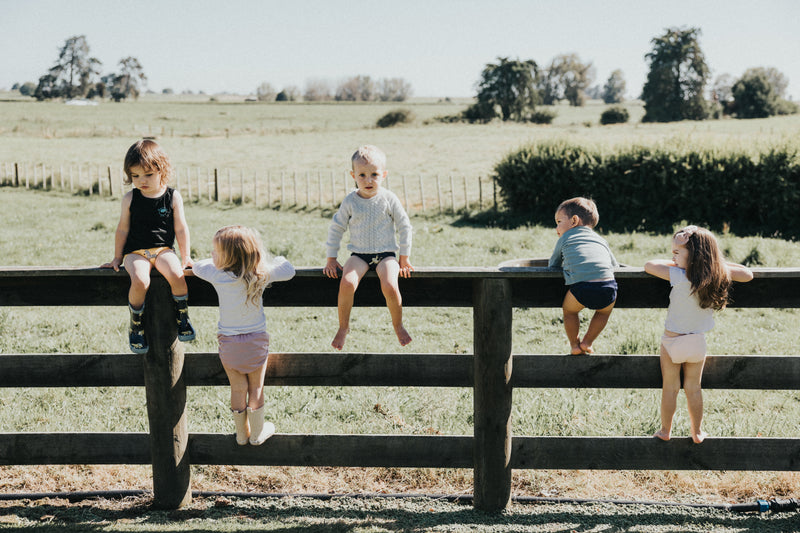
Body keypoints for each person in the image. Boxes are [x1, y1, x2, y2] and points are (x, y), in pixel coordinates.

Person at [645, 225, 753, 443]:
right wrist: (712, 264)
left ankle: (666, 430)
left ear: (693, 255)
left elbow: (649, 265)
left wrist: (676, 264)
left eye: (677, 253)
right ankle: (698, 431)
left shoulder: (677, 275)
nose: (673, 258)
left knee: (670, 388)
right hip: (697, 342)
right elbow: (747, 274)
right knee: (694, 388)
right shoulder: (715, 275)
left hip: (672, 341)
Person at [192, 225, 295, 445]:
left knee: (237, 388)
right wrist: (278, 258)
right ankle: (257, 435)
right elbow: (288, 270)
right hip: (255, 342)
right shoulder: (260, 273)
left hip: (229, 345)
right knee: (256, 388)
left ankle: (241, 435)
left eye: (216, 252)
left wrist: (212, 262)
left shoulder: (217, 274)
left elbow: (198, 266)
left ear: (228, 257)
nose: (212, 255)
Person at [101, 139, 195, 354]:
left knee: (176, 275)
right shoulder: (130, 198)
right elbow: (122, 229)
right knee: (141, 280)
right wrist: (117, 257)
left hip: (163, 249)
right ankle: (136, 323)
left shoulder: (173, 197)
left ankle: (182, 315)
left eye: (148, 175)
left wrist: (186, 256)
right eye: (135, 176)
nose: (141, 180)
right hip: (136, 253)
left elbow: (181, 228)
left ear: (162, 170)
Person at [323, 145, 413, 350]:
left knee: (390, 284)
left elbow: (404, 226)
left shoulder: (389, 198)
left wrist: (404, 257)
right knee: (346, 282)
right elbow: (336, 228)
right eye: (362, 175)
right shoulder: (350, 201)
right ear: (353, 175)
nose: (368, 180)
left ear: (384, 175)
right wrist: (331, 258)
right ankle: (343, 327)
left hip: (386, 255)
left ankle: (398, 325)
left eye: (374, 174)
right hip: (359, 255)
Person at [549, 197, 619, 355]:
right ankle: (587, 342)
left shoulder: (565, 238)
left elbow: (553, 264)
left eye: (559, 222)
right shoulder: (601, 240)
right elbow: (615, 265)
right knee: (603, 312)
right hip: (608, 288)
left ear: (574, 220)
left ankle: (574, 344)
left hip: (582, 287)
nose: (556, 228)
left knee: (569, 312)